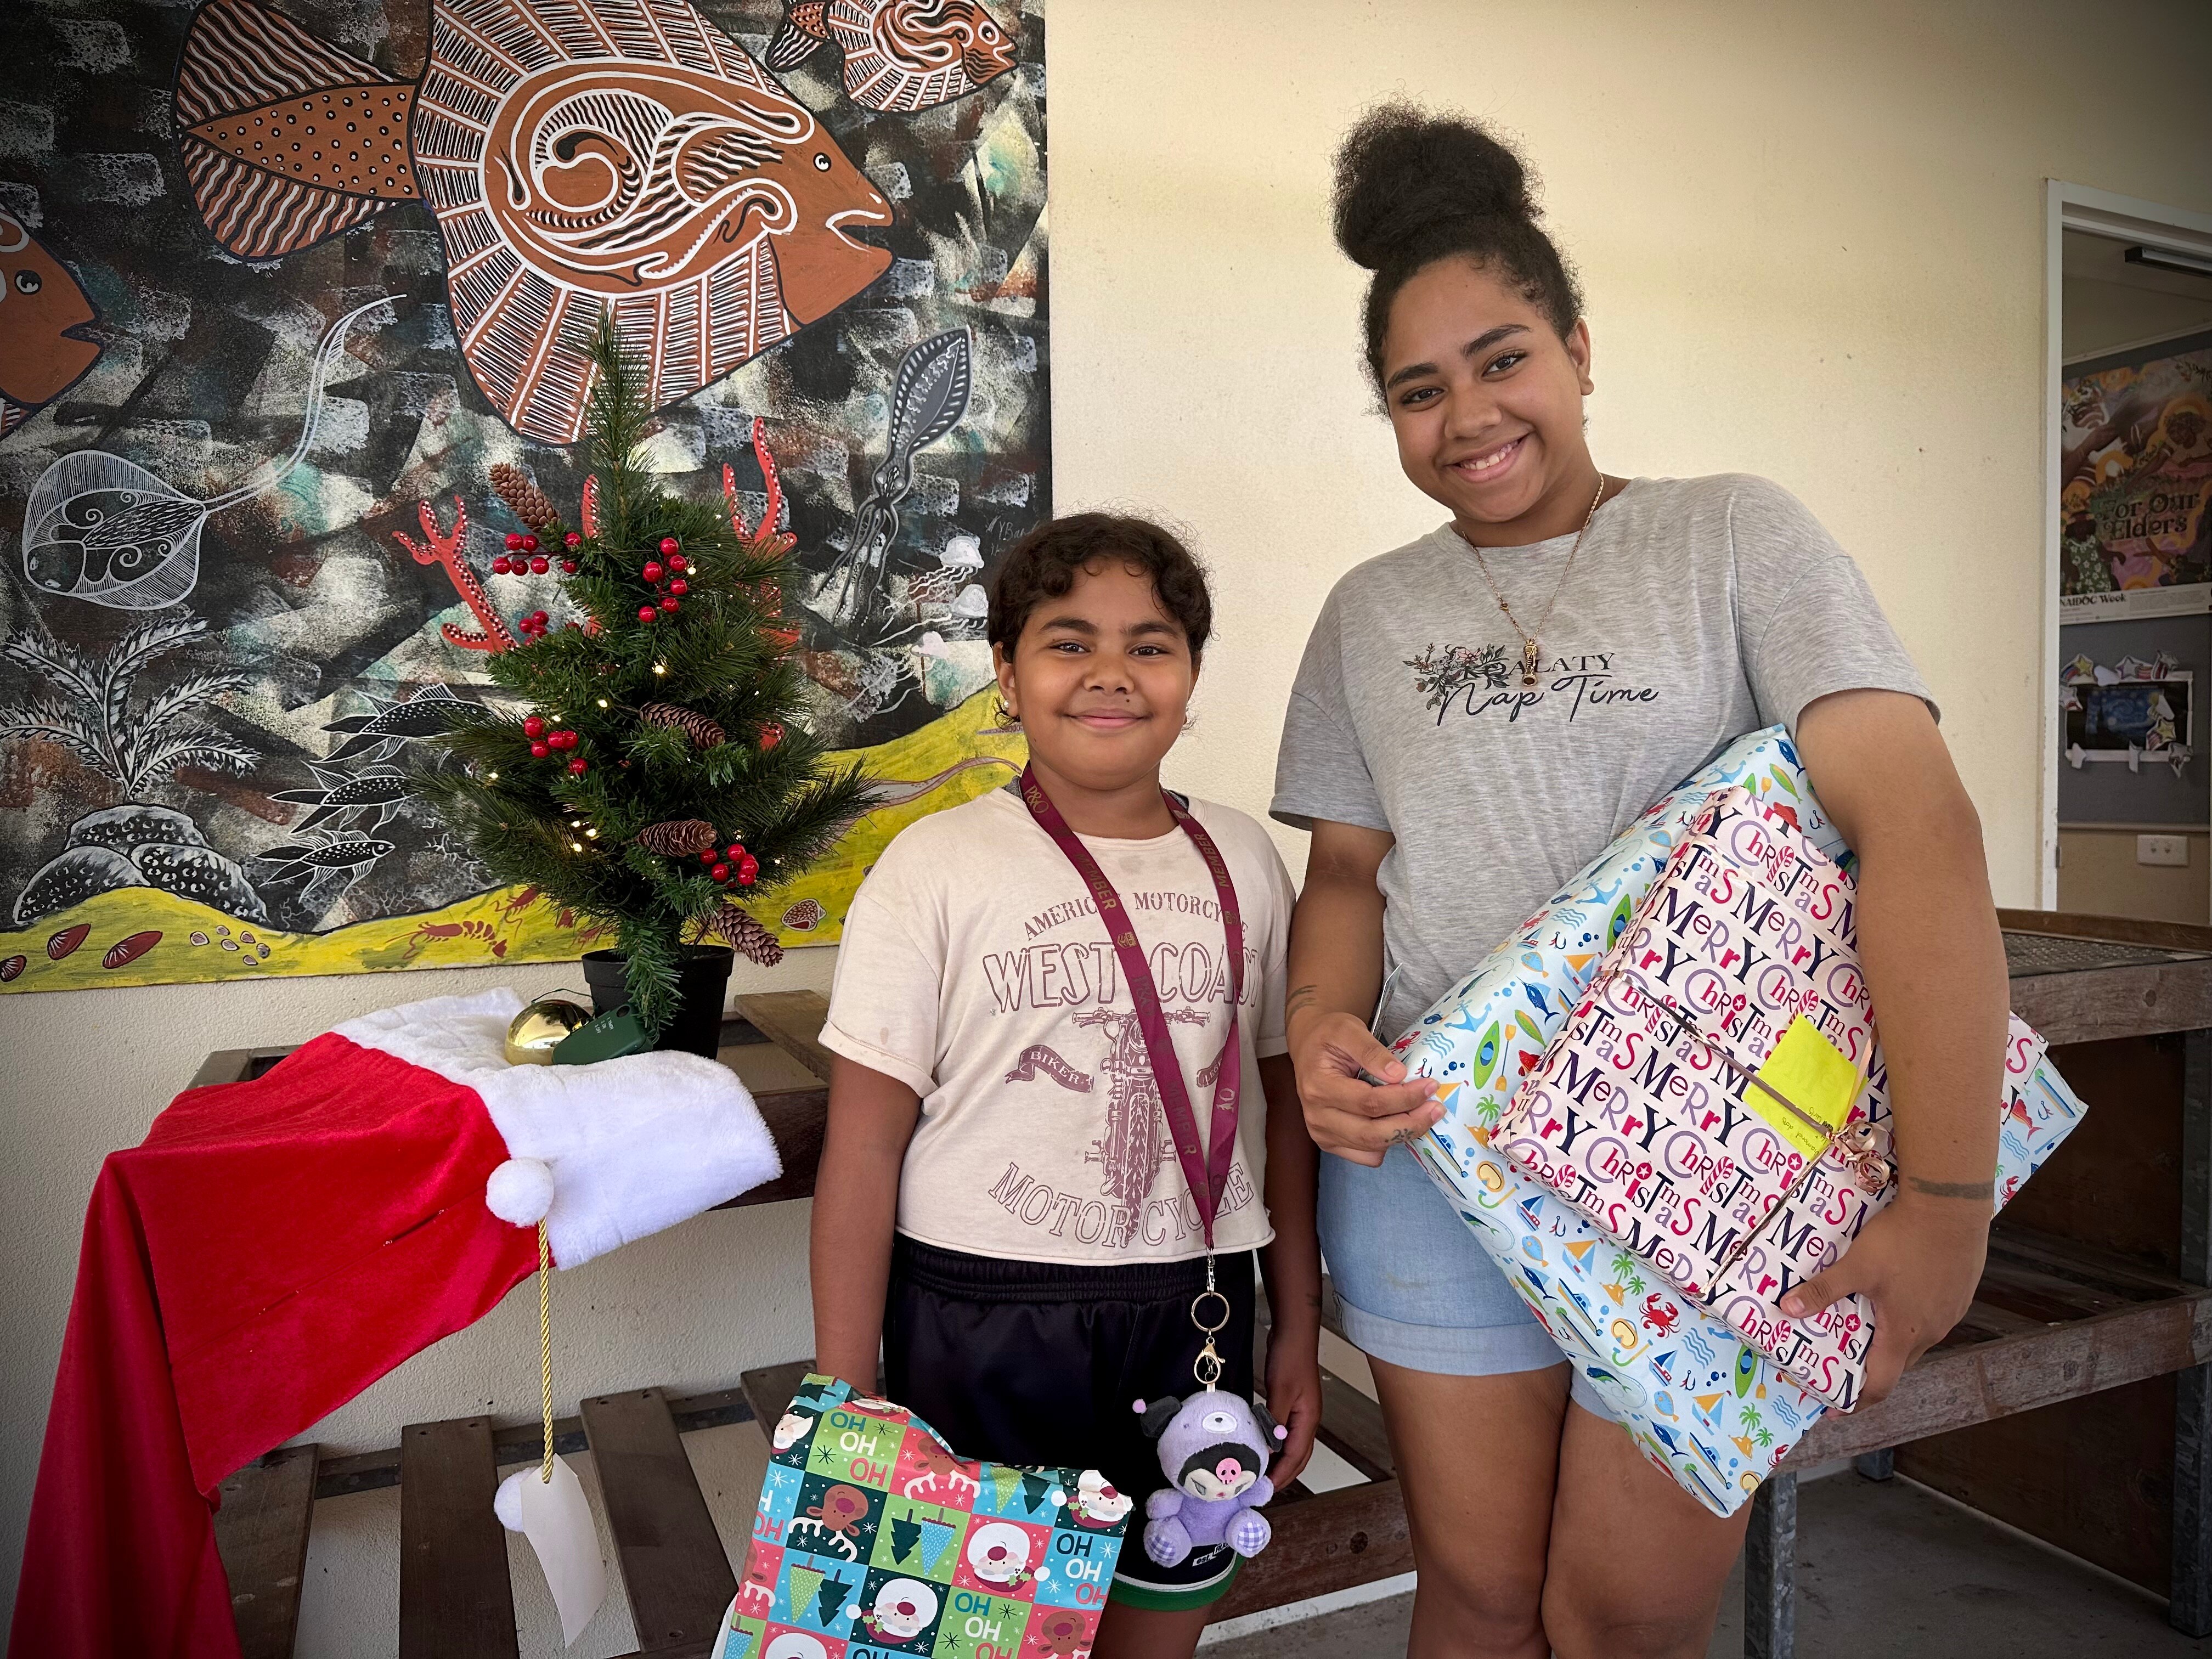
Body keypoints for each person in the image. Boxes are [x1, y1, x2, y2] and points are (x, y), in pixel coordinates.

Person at [1273, 106, 2007, 1659]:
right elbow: (1346, 868)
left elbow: (1921, 828)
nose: (1468, 413)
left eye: (1502, 356)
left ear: (1581, 348)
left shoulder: (1731, 535)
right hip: (1434, 1160)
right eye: (1419, 391)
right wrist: (1322, 1024)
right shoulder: (1365, 613)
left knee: (1621, 1613)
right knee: (1473, 1592)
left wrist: (1948, 1203)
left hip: (1710, 1171)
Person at [812, 512, 1325, 1658]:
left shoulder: (1245, 857)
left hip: (1199, 1312)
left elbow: (1282, 1111)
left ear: (1193, 676)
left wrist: (1299, 1322)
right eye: (1067, 641)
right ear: (1006, 672)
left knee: (1160, 1620)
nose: (1110, 674)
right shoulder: (935, 864)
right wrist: (847, 1393)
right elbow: (862, 1145)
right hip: (985, 1318)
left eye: (1151, 645)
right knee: (981, 1635)